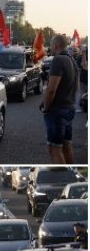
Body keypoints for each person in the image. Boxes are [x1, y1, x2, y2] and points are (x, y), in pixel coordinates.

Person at [40, 34, 78, 164]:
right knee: (67, 147)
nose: (50, 47)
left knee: (54, 149)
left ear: (55, 45)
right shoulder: (71, 59)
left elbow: (51, 90)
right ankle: (70, 177)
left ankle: (62, 179)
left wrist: (45, 108)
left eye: (51, 45)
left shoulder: (58, 60)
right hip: (69, 108)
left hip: (57, 111)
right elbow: (73, 86)